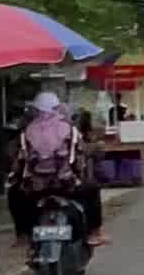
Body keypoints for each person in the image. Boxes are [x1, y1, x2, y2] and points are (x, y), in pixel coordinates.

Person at [7, 88, 104, 248]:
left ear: (36, 110)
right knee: (93, 189)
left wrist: (18, 178)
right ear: (57, 108)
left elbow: (19, 160)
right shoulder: (70, 130)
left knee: (13, 193)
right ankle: (94, 233)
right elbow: (79, 158)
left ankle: (22, 235)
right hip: (67, 186)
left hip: (34, 189)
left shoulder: (26, 132)